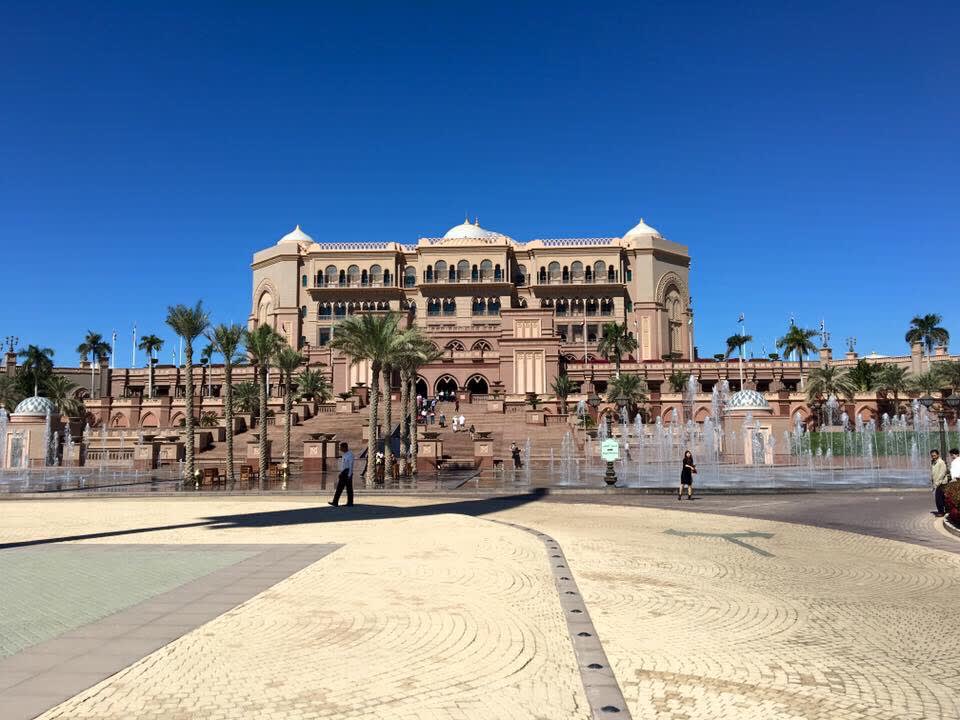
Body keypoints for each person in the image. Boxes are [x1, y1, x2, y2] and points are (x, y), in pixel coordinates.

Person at [329, 441, 354, 507]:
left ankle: (350, 502)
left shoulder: (350, 454)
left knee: (349, 489)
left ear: (345, 447)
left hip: (347, 472)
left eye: (341, 447)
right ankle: (335, 502)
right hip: (343, 473)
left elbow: (350, 465)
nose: (340, 449)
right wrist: (341, 473)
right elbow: (343, 465)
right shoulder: (344, 455)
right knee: (339, 488)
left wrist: (349, 475)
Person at [931, 449, 949, 516]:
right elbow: (933, 473)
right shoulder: (933, 462)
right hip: (937, 482)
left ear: (938, 455)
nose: (933, 457)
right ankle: (947, 510)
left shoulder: (941, 462)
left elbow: (942, 473)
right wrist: (932, 481)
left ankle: (941, 512)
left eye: (934, 455)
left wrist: (937, 483)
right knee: (943, 498)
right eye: (932, 456)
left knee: (938, 498)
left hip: (941, 483)